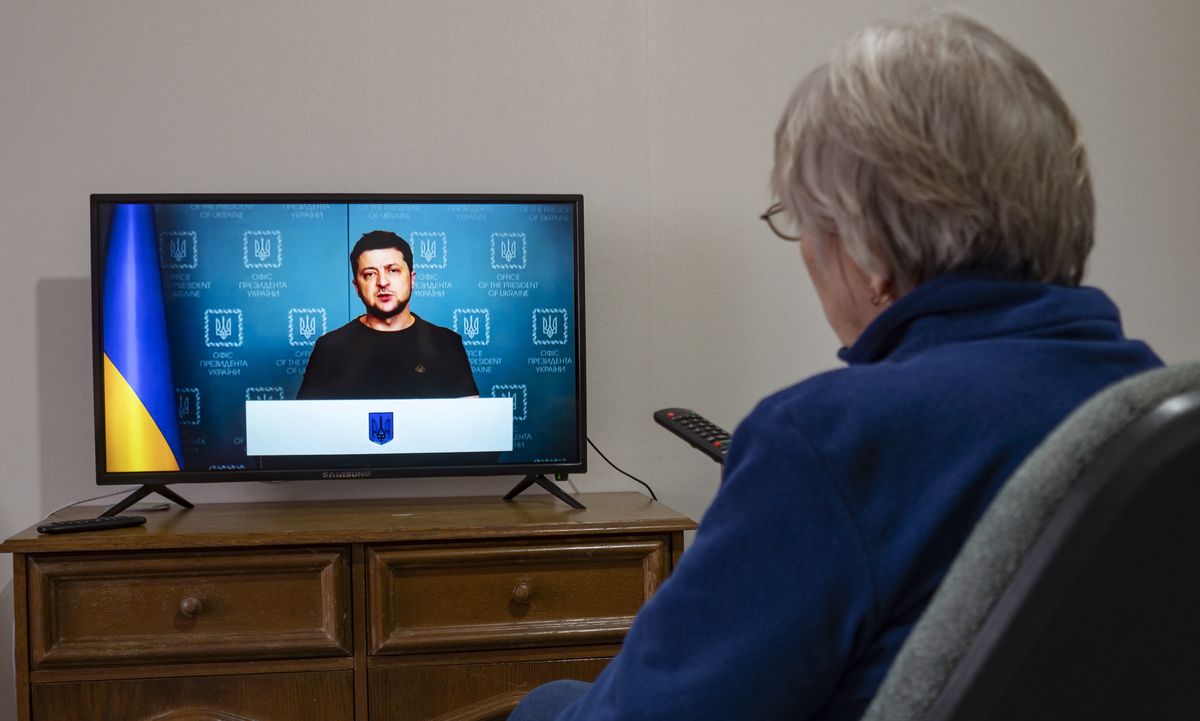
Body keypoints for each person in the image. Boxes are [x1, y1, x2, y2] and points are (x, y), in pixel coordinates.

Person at [510, 10, 1162, 721]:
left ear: (871, 250)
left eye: (803, 222)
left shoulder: (828, 443)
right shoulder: (1155, 408)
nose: (805, 252)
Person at [297, 230, 478, 400]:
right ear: (356, 287)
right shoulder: (329, 349)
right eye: (369, 274)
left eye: (393, 270)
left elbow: (470, 423)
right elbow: (309, 425)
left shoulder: (447, 344)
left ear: (412, 279)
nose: (382, 282)